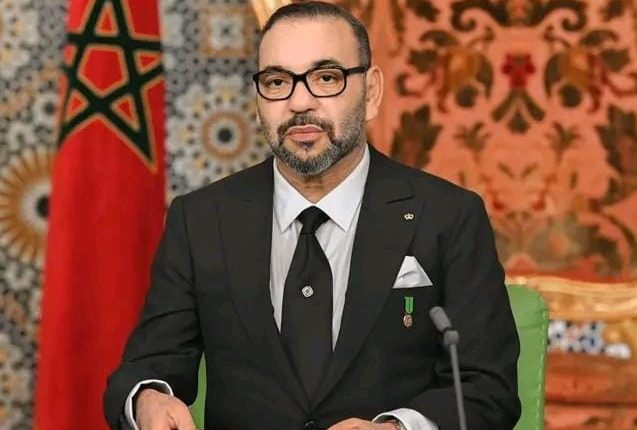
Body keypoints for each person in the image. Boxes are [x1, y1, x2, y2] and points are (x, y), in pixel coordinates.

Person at [103, 2, 521, 429]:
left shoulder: (448, 216)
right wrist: (147, 400)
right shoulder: (201, 220)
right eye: (277, 82)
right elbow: (147, 366)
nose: (299, 102)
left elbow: (489, 389)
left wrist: (396, 428)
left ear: (371, 92)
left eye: (326, 78)